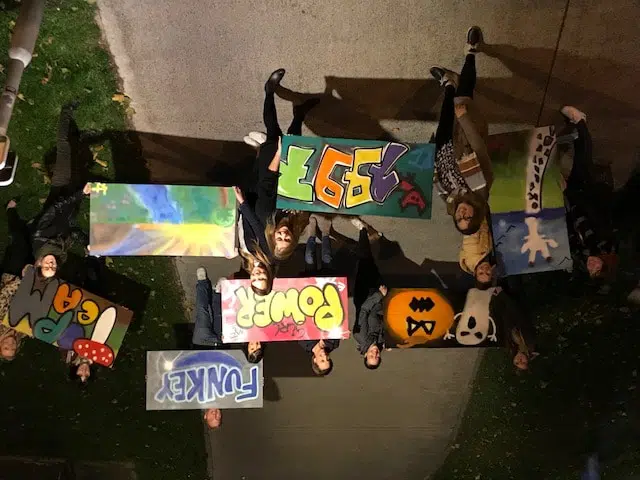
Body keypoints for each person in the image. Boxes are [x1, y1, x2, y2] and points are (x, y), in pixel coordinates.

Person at [430, 26, 493, 236]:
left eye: (459, 219)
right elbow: (480, 148)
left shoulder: (450, 200)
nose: (462, 214)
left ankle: (448, 83)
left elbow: (435, 181)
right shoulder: (481, 187)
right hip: (464, 137)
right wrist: (465, 119)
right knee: (464, 96)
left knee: (446, 111)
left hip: (442, 149)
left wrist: (428, 156)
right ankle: (471, 52)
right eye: (467, 218)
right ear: (476, 214)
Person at [28, 102, 91, 278]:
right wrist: (87, 243)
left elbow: (56, 206)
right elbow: (73, 232)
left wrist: (80, 194)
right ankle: (80, 137)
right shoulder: (59, 250)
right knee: (77, 162)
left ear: (38, 263)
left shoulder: (39, 235)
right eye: (53, 269)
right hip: (73, 198)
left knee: (64, 148)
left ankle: (66, 111)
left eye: (46, 267)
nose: (51, 265)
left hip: (62, 187)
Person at [192, 267, 263, 363]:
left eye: (252, 348)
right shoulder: (261, 331)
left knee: (202, 312)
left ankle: (203, 283)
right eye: (257, 347)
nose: (255, 344)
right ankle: (218, 293)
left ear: (247, 349)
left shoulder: (238, 343)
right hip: (219, 334)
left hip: (205, 341)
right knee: (217, 318)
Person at [0, 199, 37, 361]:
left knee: (19, 244)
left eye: (6, 347)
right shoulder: (21, 333)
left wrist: (22, 279)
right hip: (29, 283)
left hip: (12, 276)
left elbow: (4, 294)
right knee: (30, 249)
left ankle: (10, 211)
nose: (11, 344)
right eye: (13, 348)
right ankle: (25, 227)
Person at [350, 218, 386, 369]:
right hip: (380, 295)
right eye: (377, 357)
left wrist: (379, 295)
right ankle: (372, 238)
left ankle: (363, 230)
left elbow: (364, 310)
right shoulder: (381, 341)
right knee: (372, 264)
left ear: (365, 355)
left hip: (365, 293)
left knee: (364, 260)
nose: (375, 354)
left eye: (371, 356)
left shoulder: (360, 335)